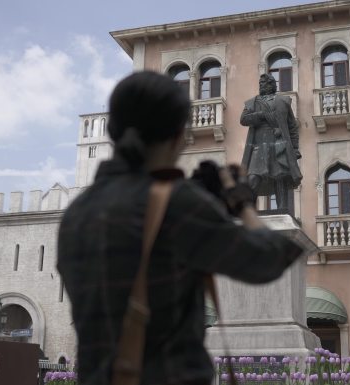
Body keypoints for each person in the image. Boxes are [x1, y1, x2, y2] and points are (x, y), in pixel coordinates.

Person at [57, 71, 305, 385]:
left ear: (114, 131)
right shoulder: (177, 204)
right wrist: (240, 203)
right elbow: (271, 258)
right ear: (178, 134)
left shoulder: (76, 215)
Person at [240, 73, 302, 211]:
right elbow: (243, 119)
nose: (261, 85)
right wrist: (261, 115)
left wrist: (295, 147)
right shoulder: (253, 102)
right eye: (260, 83)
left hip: (278, 142)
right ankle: (249, 209)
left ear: (271, 85)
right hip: (258, 144)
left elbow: (292, 126)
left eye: (264, 83)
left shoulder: (283, 101)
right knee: (253, 176)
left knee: (280, 176)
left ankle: (282, 208)